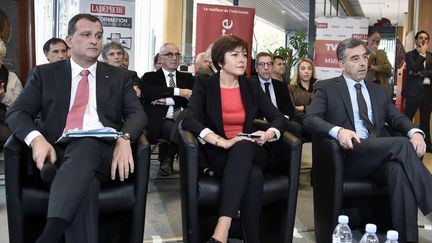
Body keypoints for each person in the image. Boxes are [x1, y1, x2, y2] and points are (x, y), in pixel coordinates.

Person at [5, 13, 147, 243]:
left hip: (102, 153)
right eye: (86, 35)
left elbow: (137, 114)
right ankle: (60, 180)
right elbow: (17, 112)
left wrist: (125, 139)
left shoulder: (118, 77)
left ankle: (48, 236)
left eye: (98, 36)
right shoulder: (44, 74)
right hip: (57, 150)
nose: (94, 40)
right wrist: (36, 139)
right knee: (86, 186)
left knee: (87, 143)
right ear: (69, 40)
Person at [303, 38, 432, 243]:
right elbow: (310, 119)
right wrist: (338, 132)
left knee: (398, 171)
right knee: (402, 145)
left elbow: (396, 117)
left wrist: (415, 132)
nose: (363, 63)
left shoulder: (377, 90)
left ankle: (408, 239)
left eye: (364, 57)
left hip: (379, 154)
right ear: (341, 63)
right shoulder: (326, 87)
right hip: (350, 155)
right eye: (355, 59)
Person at [182, 34, 286, 243]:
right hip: (220, 151)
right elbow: (188, 120)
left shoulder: (251, 86)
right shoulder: (205, 84)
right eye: (235, 55)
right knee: (253, 176)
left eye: (245, 55)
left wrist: (268, 134)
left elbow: (278, 117)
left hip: (254, 149)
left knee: (244, 145)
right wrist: (221, 141)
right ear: (220, 61)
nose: (242, 60)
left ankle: (222, 228)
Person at [141, 43, 194, 176]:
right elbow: (149, 94)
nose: (175, 58)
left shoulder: (187, 78)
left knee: (182, 123)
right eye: (170, 54)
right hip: (160, 121)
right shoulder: (150, 77)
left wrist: (167, 100)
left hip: (182, 117)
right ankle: (168, 159)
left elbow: (193, 98)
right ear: (161, 57)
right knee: (182, 128)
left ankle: (167, 159)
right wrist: (180, 91)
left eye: (177, 54)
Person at [250, 52, 302, 138]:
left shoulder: (281, 85)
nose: (266, 67)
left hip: (280, 120)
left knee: (296, 127)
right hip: (260, 122)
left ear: (272, 67)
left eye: (269, 64)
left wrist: (283, 119)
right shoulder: (250, 85)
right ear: (256, 68)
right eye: (262, 64)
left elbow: (289, 108)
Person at [402, 30, 432, 152]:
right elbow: (413, 67)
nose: (423, 40)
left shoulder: (431, 55)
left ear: (428, 41)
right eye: (420, 38)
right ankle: (403, 142)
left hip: (428, 93)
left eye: (426, 38)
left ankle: (427, 145)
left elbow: (417, 71)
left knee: (425, 120)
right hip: (413, 93)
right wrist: (422, 54)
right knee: (407, 118)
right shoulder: (410, 55)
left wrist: (421, 73)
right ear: (416, 40)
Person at [0, 38, 22, 145]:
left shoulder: (12, 78)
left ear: (2, 59)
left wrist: (4, 97)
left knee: (9, 136)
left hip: (7, 121)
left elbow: (20, 107)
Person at [289, 57, 317, 125]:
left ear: (312, 71)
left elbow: (320, 108)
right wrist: (309, 108)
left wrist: (303, 108)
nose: (306, 71)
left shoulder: (319, 87)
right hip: (298, 122)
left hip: (316, 121)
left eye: (309, 68)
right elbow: (292, 110)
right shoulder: (291, 88)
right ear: (298, 71)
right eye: (303, 68)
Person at [365, 31, 392, 97]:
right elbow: (365, 65)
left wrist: (377, 68)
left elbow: (389, 67)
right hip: (367, 85)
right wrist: (373, 53)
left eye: (378, 42)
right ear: (368, 39)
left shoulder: (381, 53)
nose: (375, 43)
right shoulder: (363, 51)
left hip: (381, 85)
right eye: (373, 40)